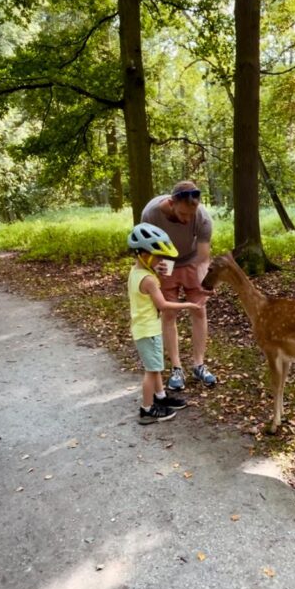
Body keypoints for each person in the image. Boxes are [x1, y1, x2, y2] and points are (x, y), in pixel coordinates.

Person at [141, 180, 216, 389]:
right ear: (171, 202)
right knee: (169, 313)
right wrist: (154, 266)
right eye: (183, 214)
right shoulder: (151, 214)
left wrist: (205, 283)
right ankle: (176, 368)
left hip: (192, 260)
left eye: (191, 215)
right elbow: (144, 247)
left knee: (199, 310)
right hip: (165, 260)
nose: (187, 220)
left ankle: (199, 364)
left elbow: (203, 257)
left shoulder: (202, 218)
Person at [127, 222, 204, 424]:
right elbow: (163, 305)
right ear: (145, 255)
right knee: (151, 371)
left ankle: (160, 398)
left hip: (144, 328)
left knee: (156, 366)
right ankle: (147, 409)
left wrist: (159, 270)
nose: (162, 261)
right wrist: (188, 304)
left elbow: (151, 280)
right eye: (158, 257)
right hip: (148, 330)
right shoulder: (149, 280)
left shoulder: (137, 272)